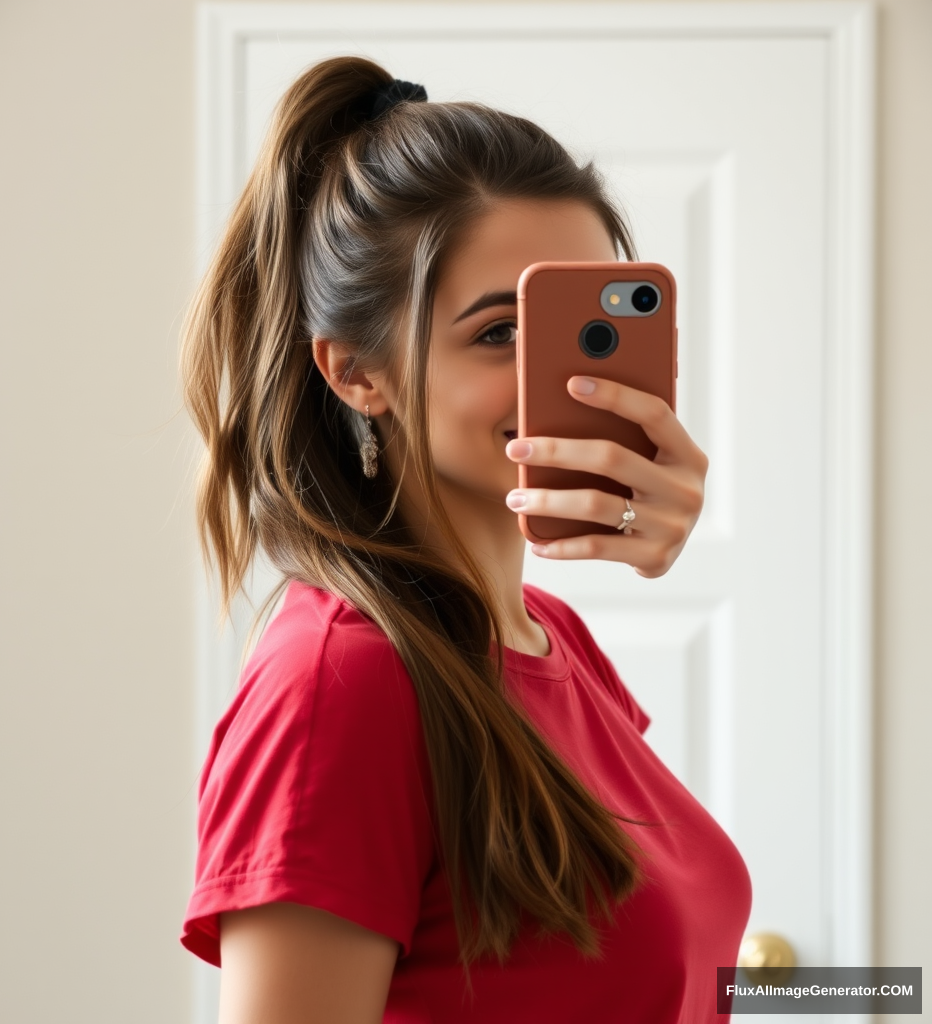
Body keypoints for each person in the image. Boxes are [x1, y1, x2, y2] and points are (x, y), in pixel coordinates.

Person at [179, 56, 751, 1024]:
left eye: (586, 328)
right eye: (496, 334)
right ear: (358, 372)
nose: (562, 381)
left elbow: (677, 977)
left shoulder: (549, 637)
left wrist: (886, 993)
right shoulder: (339, 682)